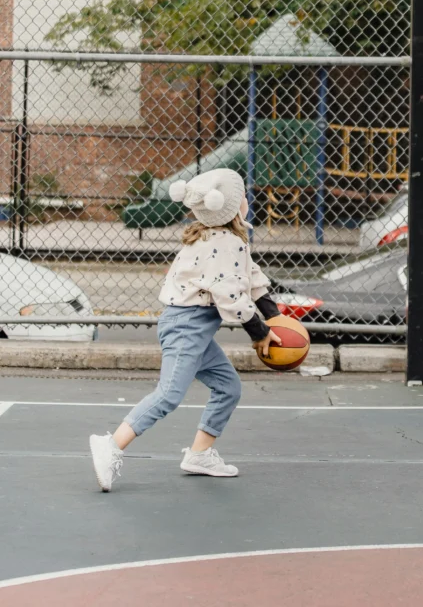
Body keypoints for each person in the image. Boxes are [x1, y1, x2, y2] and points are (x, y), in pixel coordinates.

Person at [89, 167, 281, 491]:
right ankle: (110, 445)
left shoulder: (220, 237)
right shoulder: (225, 242)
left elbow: (253, 277)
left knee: (228, 387)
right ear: (234, 207)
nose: (248, 200)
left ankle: (199, 454)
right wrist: (259, 331)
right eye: (243, 196)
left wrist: (275, 318)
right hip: (186, 326)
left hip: (194, 327)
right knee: (169, 395)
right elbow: (231, 294)